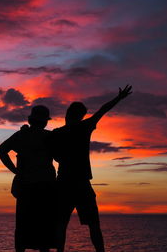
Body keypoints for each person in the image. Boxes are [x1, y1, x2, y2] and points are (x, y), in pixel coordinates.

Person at [51, 85, 132, 252]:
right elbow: (102, 110)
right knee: (94, 225)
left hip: (64, 183)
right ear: (80, 116)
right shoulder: (83, 127)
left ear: (67, 114)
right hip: (81, 184)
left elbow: (54, 156)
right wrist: (119, 98)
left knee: (61, 225)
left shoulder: (57, 133)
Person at [0, 105, 57, 252]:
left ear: (31, 120)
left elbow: (1, 151)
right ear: (45, 122)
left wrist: (15, 171)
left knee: (23, 226)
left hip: (26, 187)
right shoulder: (49, 137)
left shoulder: (22, 135)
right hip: (45, 187)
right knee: (45, 227)